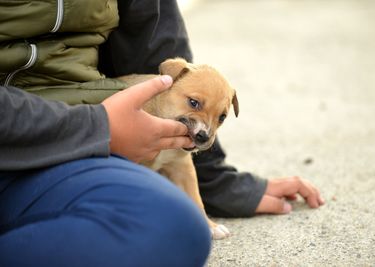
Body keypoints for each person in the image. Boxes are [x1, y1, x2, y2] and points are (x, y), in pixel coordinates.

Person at [0, 0, 324, 266]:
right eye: (194, 104)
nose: (205, 127)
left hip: (73, 147)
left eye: (220, 118)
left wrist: (217, 182)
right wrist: (97, 127)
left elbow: (155, 41)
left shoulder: (178, 89)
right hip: (47, 137)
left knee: (175, 229)